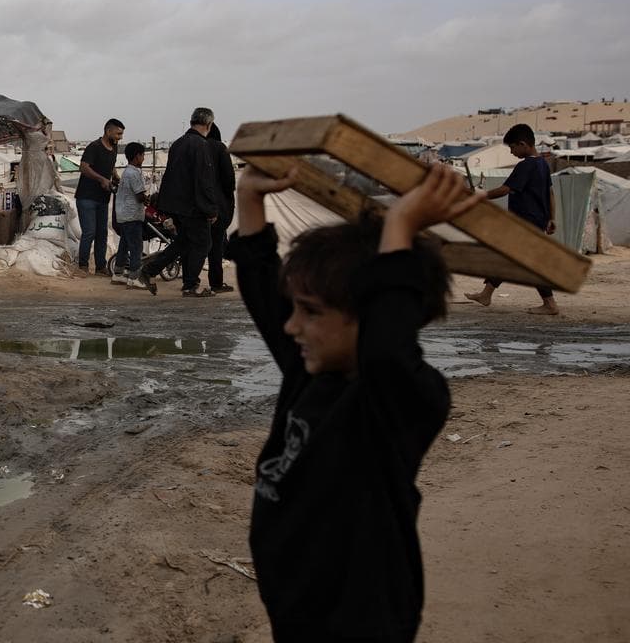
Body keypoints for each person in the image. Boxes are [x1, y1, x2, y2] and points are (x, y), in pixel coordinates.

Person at [229, 162, 484, 642]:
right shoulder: (315, 373)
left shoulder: (398, 401)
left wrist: (400, 227)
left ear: (373, 316)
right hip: (298, 612)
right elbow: (266, 293)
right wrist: (250, 200)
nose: (290, 325)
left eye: (311, 311)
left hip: (362, 623)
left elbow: (387, 349)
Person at [464, 123, 559, 314]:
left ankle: (550, 304)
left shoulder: (526, 165)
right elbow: (550, 193)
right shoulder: (542, 164)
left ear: (523, 144)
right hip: (536, 220)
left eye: (512, 148)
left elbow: (505, 189)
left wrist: (481, 195)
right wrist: (551, 218)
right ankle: (486, 294)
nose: (512, 152)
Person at [136, 108, 223, 297]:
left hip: (176, 205)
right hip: (193, 206)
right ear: (209, 124)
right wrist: (211, 209)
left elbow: (171, 176)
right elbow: (204, 181)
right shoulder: (201, 146)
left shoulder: (178, 143)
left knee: (183, 242)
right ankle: (191, 285)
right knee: (203, 243)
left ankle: (149, 270)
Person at [75, 118, 124, 276]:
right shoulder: (94, 147)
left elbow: (111, 166)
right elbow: (84, 167)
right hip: (86, 197)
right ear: (108, 131)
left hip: (103, 198)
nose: (120, 137)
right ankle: (82, 266)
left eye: (121, 134)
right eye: (118, 133)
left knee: (102, 233)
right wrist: (101, 179)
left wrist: (115, 177)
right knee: (89, 232)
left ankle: (100, 267)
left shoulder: (114, 147)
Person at [112, 142, 150, 289]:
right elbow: (140, 196)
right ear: (137, 156)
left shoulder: (127, 172)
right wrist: (148, 200)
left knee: (125, 245)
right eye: (143, 155)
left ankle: (118, 273)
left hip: (124, 215)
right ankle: (134, 277)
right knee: (136, 246)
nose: (144, 159)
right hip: (132, 215)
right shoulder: (133, 173)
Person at [205, 123, 236, 293]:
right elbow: (229, 180)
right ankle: (216, 283)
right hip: (217, 206)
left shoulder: (192, 146)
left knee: (192, 245)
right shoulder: (219, 149)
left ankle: (190, 282)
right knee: (216, 246)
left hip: (194, 207)